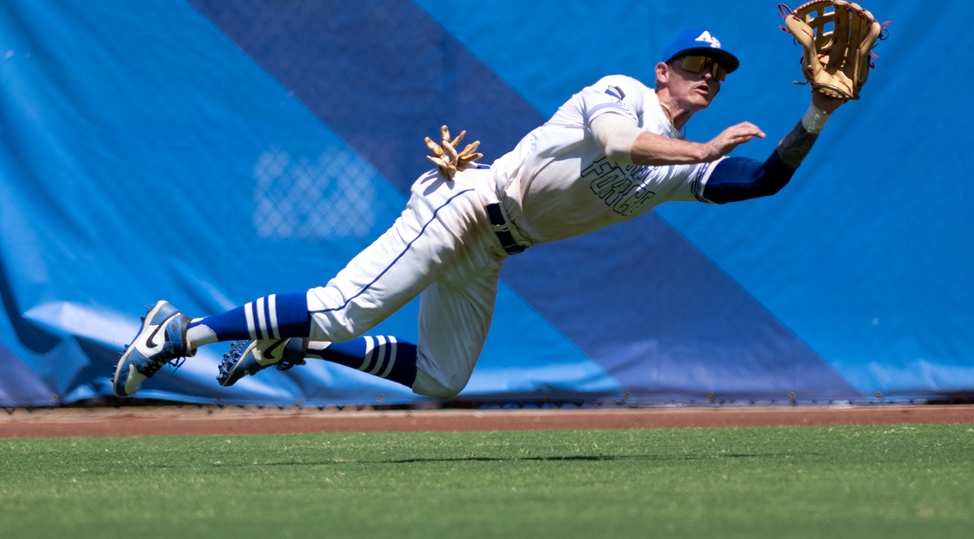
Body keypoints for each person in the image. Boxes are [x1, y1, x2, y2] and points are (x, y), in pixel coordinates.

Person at [113, 29, 844, 399]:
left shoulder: (678, 166)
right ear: (663, 71)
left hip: (494, 248)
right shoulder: (624, 94)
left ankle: (290, 346)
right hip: (467, 203)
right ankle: (179, 331)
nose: (707, 77)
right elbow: (623, 144)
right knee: (339, 307)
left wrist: (814, 114)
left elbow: (762, 180)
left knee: (441, 379)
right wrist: (703, 148)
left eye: (717, 73)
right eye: (695, 65)